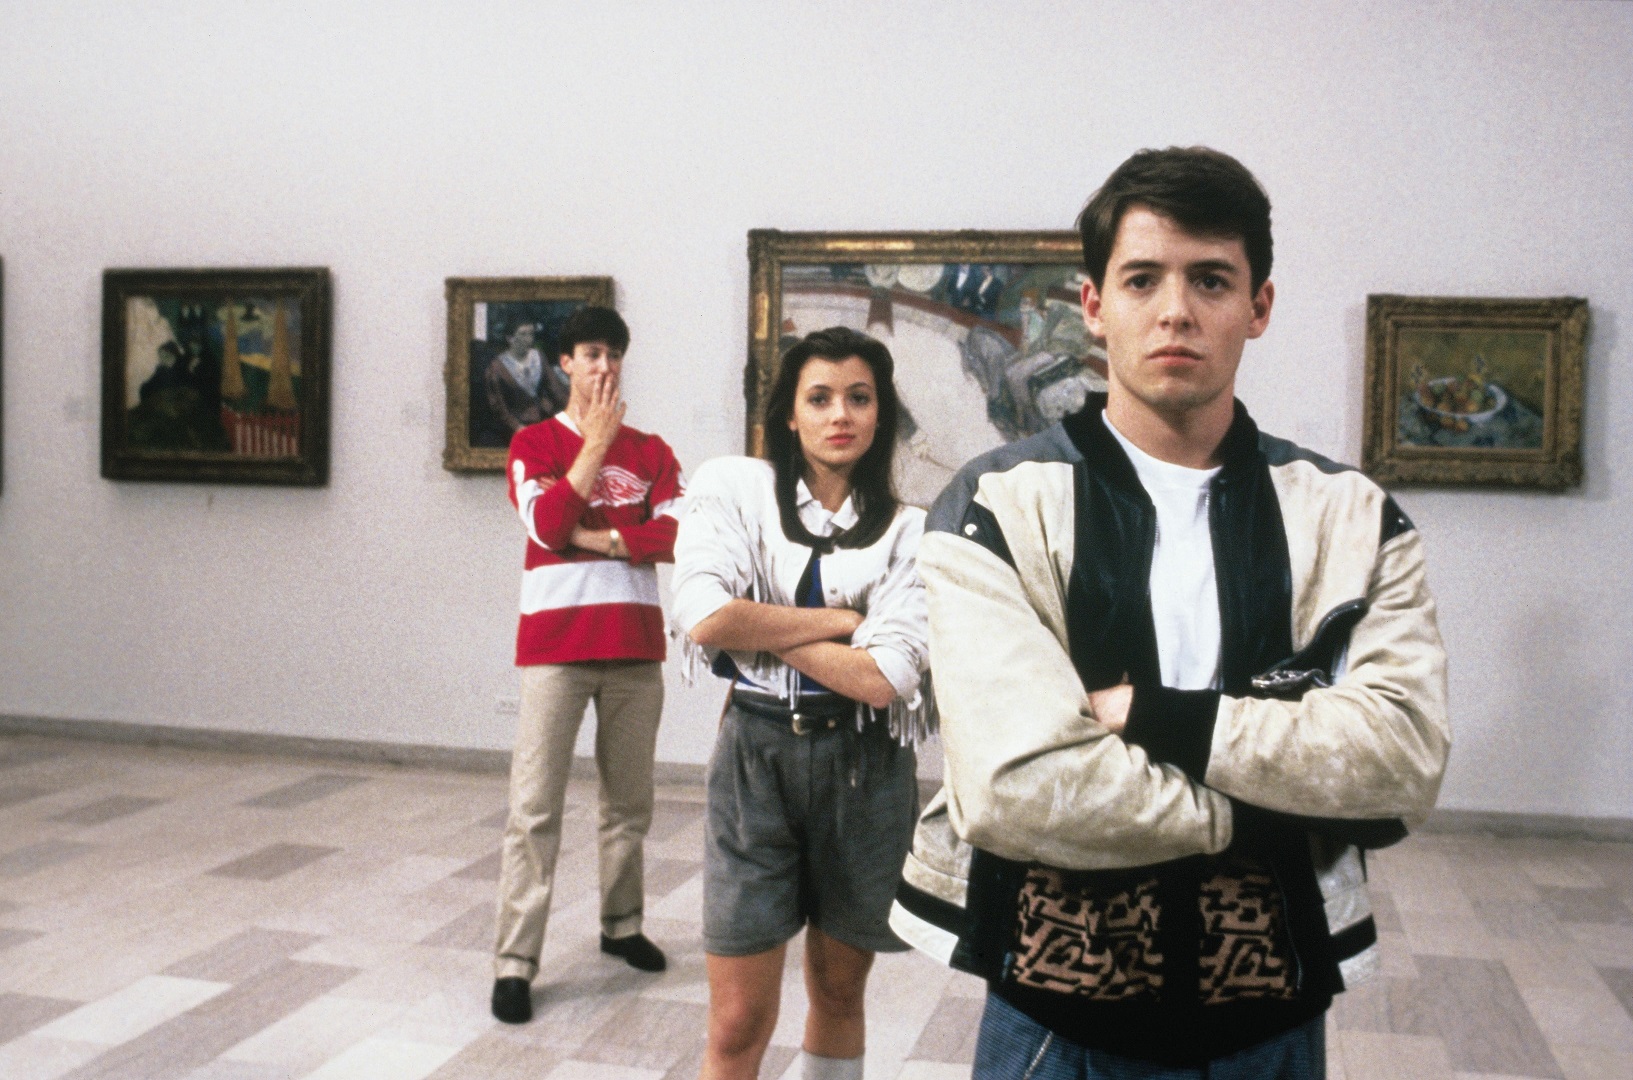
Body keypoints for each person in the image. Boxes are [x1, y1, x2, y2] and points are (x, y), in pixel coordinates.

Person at [889, 147, 1451, 1078]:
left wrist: (1150, 716)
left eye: (1211, 280)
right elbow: (1016, 788)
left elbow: (1399, 762)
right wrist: (1286, 807)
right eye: (1142, 278)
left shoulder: (1348, 516)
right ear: (1093, 305)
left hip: (1272, 1018)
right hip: (1056, 1021)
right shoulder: (998, 502)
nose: (1176, 310)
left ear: (1258, 307)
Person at [671, 326, 933, 1080]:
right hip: (755, 758)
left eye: (859, 398)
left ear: (880, 413)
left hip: (865, 765)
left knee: (840, 992)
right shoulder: (734, 488)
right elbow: (704, 616)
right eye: (818, 398)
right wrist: (841, 621)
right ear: (789, 413)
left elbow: (882, 679)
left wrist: (756, 626)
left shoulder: (911, 532)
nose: (839, 414)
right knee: (737, 1020)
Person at [491, 305, 686, 1025]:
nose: (605, 366)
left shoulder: (654, 451)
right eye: (592, 353)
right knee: (534, 809)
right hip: (556, 650)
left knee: (628, 804)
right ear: (565, 363)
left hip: (634, 647)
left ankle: (622, 926)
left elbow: (680, 536)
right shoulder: (533, 443)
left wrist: (601, 540)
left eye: (614, 354)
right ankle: (515, 962)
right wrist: (595, 445)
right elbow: (546, 526)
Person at [484, 321, 568, 441]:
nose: (529, 339)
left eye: (531, 334)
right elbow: (498, 406)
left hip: (543, 418)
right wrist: (517, 427)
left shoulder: (538, 356)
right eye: (523, 334)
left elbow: (555, 388)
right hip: (516, 426)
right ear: (510, 338)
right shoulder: (497, 367)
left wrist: (571, 410)